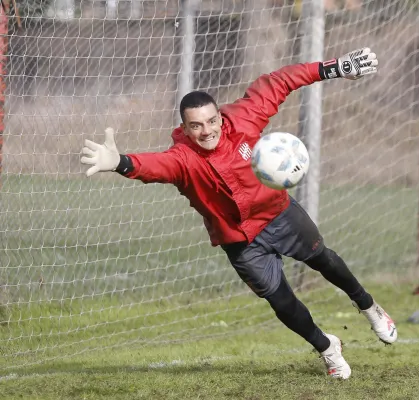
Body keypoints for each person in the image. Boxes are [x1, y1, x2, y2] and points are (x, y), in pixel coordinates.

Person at [80, 47, 397, 380]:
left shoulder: (244, 118)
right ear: (185, 129)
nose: (207, 130)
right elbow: (153, 166)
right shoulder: (183, 159)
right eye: (196, 126)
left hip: (279, 214)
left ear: (220, 115)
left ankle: (369, 307)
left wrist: (333, 68)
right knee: (282, 303)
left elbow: (280, 80)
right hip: (240, 239)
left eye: (212, 120)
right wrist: (119, 163)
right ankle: (328, 349)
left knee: (326, 261)